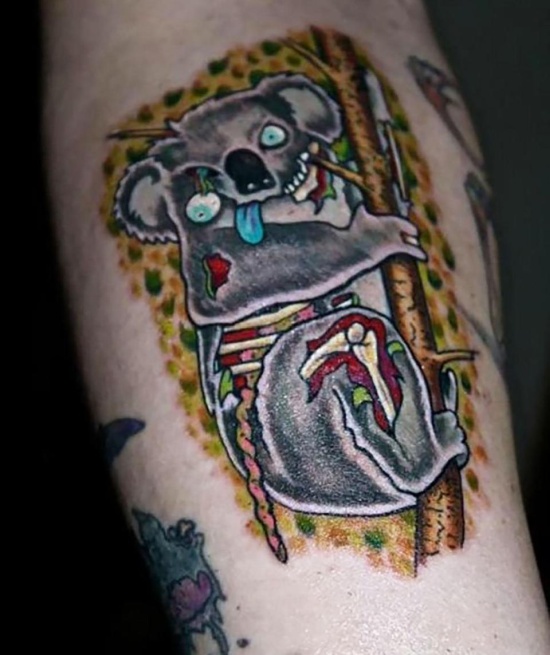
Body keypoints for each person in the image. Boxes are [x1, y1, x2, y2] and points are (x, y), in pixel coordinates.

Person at [41, 1, 549, 652]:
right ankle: (413, 462)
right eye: (217, 171)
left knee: (367, 345)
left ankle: (419, 451)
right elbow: (178, 28)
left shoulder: (302, 196)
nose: (247, 169)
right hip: (287, 412)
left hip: (331, 383)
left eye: (270, 140)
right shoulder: (212, 249)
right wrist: (362, 241)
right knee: (351, 347)